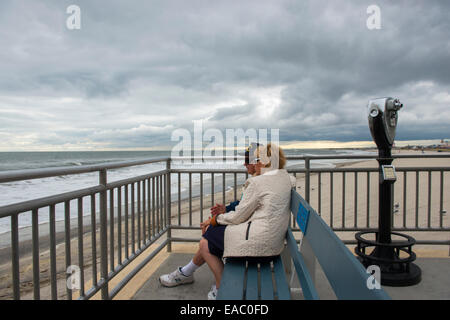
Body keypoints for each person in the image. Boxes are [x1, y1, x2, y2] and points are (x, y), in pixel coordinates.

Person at [159, 143, 262, 299]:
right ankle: (187, 272)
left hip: (251, 233)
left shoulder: (259, 182)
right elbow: (244, 206)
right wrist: (226, 209)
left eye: (248, 160)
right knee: (209, 235)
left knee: (206, 241)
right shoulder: (260, 179)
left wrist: (216, 220)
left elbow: (243, 213)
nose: (244, 164)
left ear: (258, 161)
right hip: (251, 227)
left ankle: (221, 287)